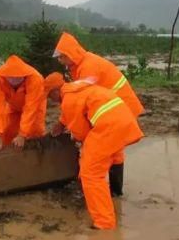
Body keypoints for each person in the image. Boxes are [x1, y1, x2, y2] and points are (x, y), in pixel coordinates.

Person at [44, 72, 144, 230]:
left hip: (108, 129)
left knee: (90, 174)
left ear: (55, 91)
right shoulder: (78, 88)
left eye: (50, 96)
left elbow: (80, 132)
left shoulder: (68, 100)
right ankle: (112, 198)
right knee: (106, 160)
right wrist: (62, 123)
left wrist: (77, 140)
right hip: (123, 122)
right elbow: (76, 109)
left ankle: (104, 222)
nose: (51, 100)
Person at [52, 31, 144, 196]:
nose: (60, 61)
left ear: (70, 54)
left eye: (62, 57)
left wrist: (76, 133)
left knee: (108, 149)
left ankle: (108, 189)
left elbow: (81, 101)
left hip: (118, 107)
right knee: (113, 148)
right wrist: (63, 123)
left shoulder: (88, 67)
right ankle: (114, 191)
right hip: (116, 106)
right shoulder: (81, 64)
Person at [0, 55, 46, 150]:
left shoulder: (35, 78)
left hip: (35, 106)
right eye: (11, 77)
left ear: (24, 75)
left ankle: (36, 156)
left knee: (34, 132)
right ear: (5, 75)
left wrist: (22, 134)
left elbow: (31, 108)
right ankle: (8, 154)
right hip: (13, 106)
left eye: (17, 77)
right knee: (8, 130)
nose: (14, 79)